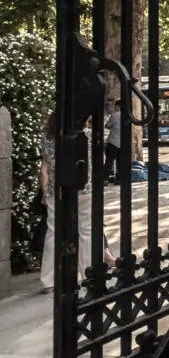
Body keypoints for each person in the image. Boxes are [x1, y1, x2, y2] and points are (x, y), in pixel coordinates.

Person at [41, 110, 116, 294]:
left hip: (56, 189)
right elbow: (102, 160)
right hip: (85, 188)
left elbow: (45, 167)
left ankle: (49, 280)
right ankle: (87, 274)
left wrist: (44, 192)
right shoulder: (88, 136)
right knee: (86, 231)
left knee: (54, 231)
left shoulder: (48, 137)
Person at [105, 100, 122, 184]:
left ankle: (104, 179)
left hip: (113, 142)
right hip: (123, 143)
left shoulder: (115, 115)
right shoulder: (129, 115)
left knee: (109, 161)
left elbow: (107, 125)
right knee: (121, 162)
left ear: (118, 106)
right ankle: (119, 179)